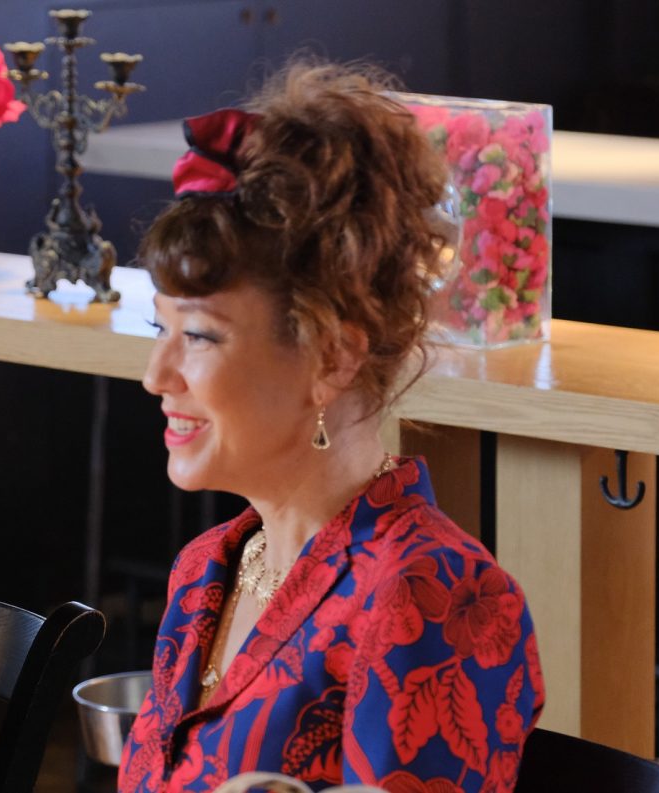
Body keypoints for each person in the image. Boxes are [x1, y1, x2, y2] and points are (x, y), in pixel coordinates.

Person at [118, 64, 543, 792]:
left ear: (332, 357)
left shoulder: (430, 595)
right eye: (161, 328)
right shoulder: (204, 571)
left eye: (201, 336)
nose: (156, 375)